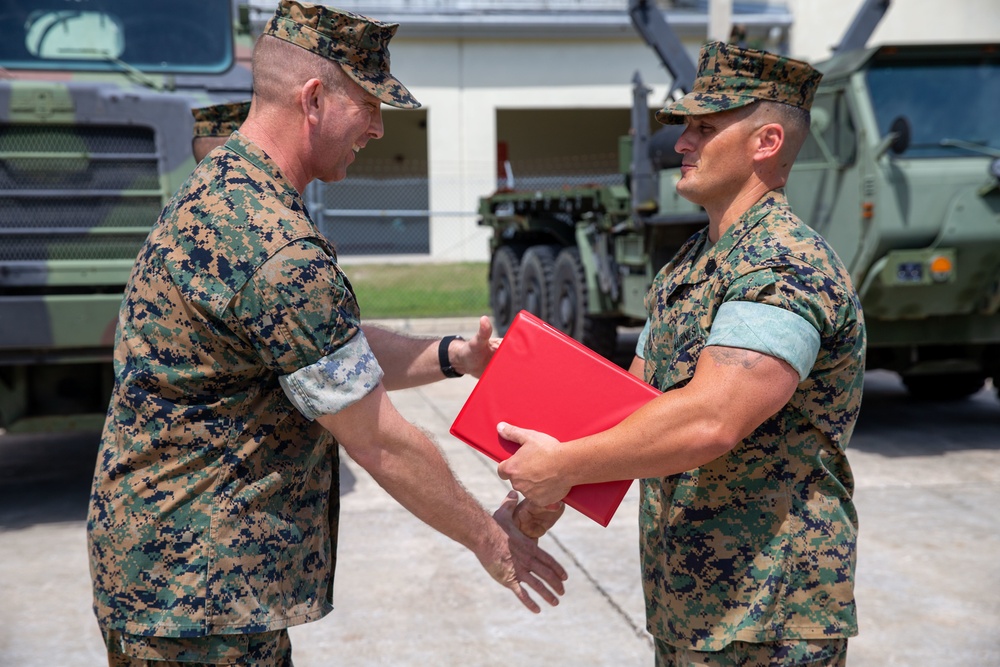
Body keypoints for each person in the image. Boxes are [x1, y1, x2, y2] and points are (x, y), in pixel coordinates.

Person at [86, 2, 566, 665]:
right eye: (369, 104)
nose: (376, 127)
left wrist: (456, 356)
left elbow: (321, 347)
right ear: (313, 99)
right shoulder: (272, 244)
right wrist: (491, 537)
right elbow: (377, 439)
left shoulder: (224, 195)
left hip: (177, 583)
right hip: (200, 601)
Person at [496, 41, 866, 666]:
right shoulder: (692, 265)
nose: (681, 145)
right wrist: (533, 503)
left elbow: (709, 419)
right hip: (691, 604)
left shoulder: (783, 267)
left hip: (769, 616)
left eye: (704, 128)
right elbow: (624, 413)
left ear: (766, 142)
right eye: (684, 129)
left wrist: (562, 466)